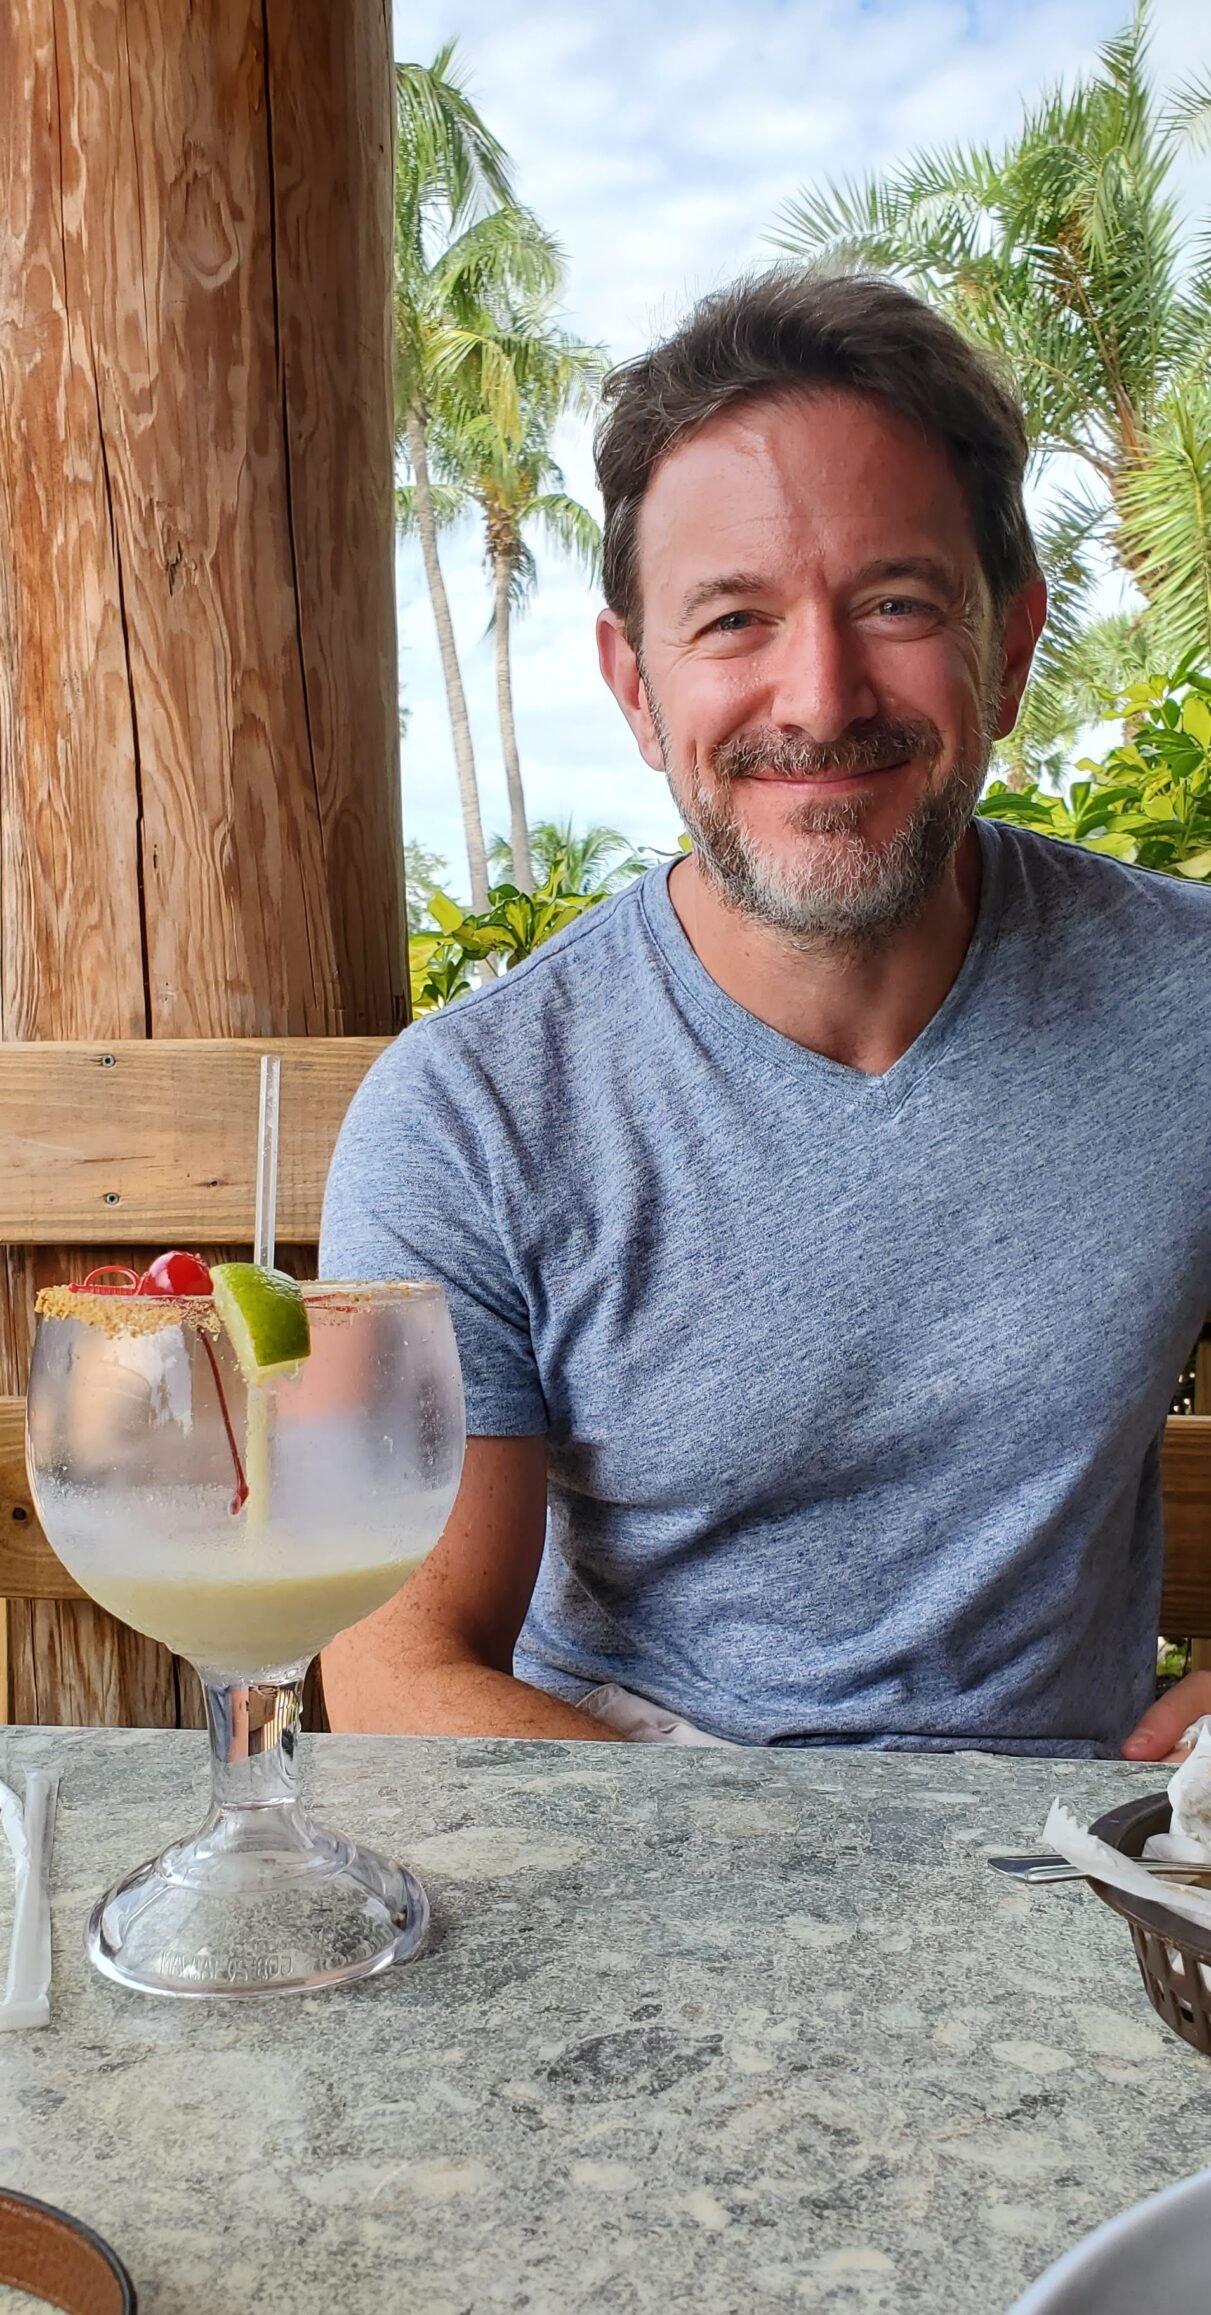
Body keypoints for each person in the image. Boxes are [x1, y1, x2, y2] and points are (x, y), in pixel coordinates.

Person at [320, 267, 1211, 1761]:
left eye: (897, 601)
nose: (821, 694)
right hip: (625, 1838)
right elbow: (400, 1666)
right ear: (635, 682)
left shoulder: (1186, 1005)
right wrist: (779, 1910)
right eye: (734, 619)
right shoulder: (469, 1112)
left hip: (1077, 1872)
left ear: (1008, 645)